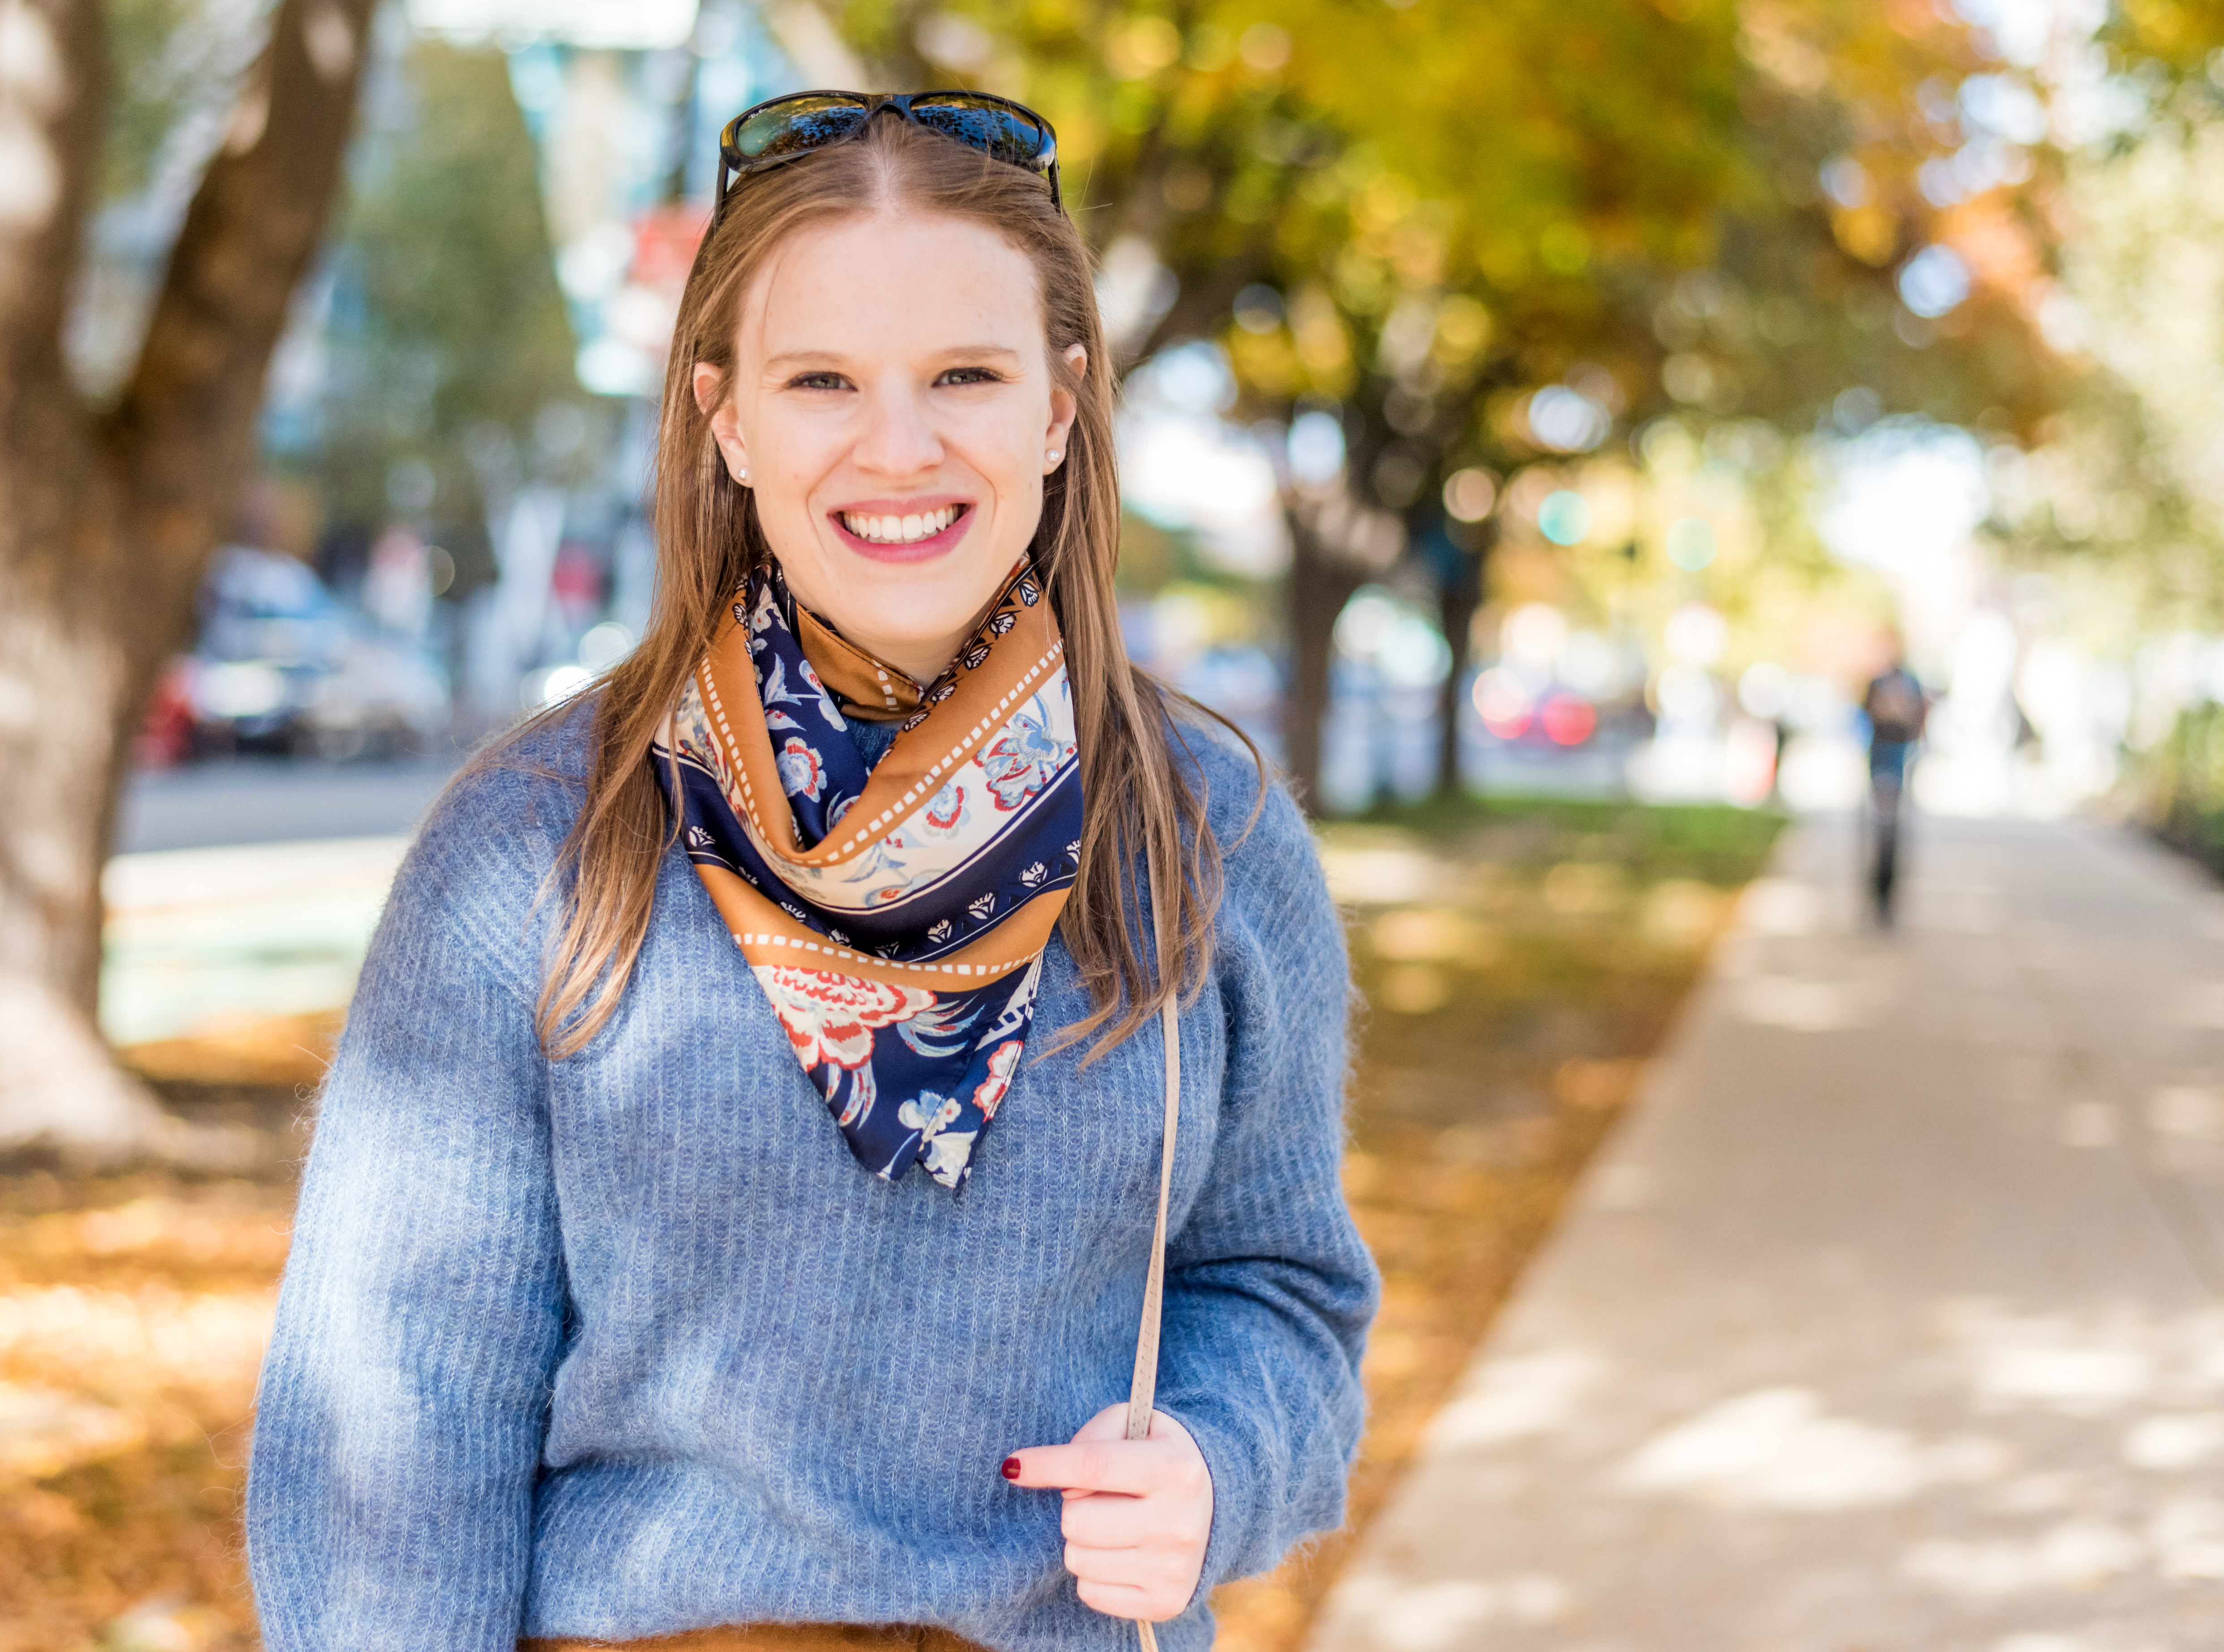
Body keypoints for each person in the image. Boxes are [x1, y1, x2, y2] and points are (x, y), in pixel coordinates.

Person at [245, 92, 1377, 1652]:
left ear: (1057, 409)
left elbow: (1283, 1292)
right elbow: (393, 1426)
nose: (896, 445)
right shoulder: (532, 848)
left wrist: (1221, 1462)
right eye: (822, 378)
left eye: (964, 376)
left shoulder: (1212, 837)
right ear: (728, 416)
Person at [1863, 642, 1928, 925]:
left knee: (1894, 834)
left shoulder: (1909, 684)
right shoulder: (1879, 684)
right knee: (1881, 832)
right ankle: (1878, 895)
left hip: (1899, 763)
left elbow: (1918, 718)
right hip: (1882, 765)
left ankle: (1887, 896)